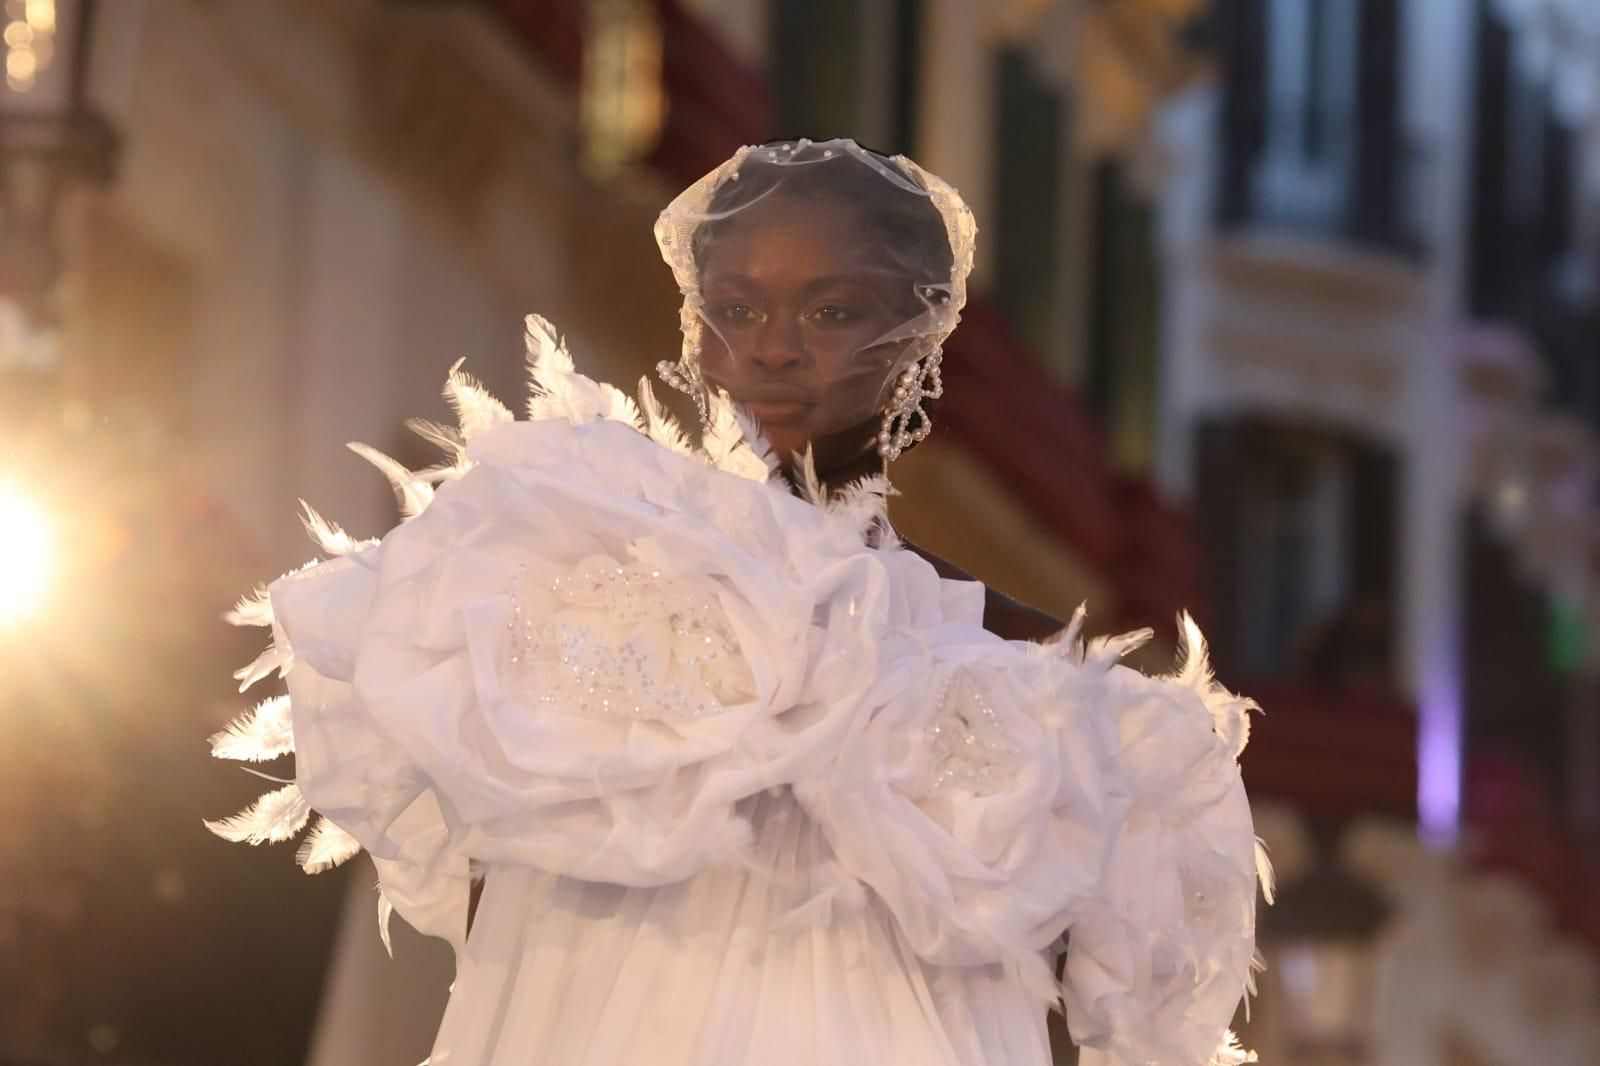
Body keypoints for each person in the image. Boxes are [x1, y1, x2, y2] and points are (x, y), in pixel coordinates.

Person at [207, 139, 1266, 1066]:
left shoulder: (1030, 670)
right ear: (696, 325)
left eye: (834, 309)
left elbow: (1084, 1005)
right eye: (739, 307)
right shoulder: (550, 570)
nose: (775, 345)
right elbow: (495, 917)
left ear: (922, 335)